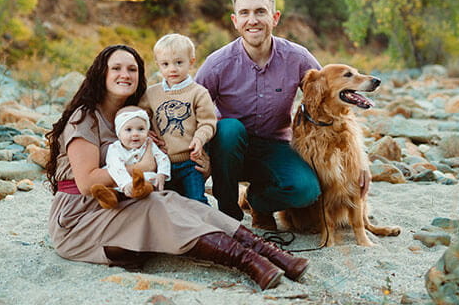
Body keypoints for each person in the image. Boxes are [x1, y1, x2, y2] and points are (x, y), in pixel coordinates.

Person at [45, 44, 310, 290]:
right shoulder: (85, 116)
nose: (125, 74)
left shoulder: (136, 119)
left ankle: (268, 251)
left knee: (178, 202)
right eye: (116, 68)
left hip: (122, 202)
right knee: (158, 205)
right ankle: (247, 261)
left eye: (132, 69)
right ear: (100, 73)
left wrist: (202, 165)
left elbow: (173, 153)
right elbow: (87, 182)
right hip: (80, 217)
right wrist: (141, 164)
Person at [196, 0, 370, 230]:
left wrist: (360, 162)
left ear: (274, 18)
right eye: (244, 12)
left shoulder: (297, 58)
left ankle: (259, 202)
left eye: (260, 12)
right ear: (235, 21)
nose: (252, 20)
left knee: (306, 190)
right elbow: (189, 108)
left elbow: (332, 101)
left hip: (275, 147)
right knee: (229, 129)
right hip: (228, 151)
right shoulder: (217, 64)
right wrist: (198, 154)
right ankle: (229, 215)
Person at [139, 33, 216, 204]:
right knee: (166, 203)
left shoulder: (198, 93)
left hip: (190, 163)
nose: (172, 69)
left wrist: (199, 138)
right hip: (162, 163)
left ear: (191, 62)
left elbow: (208, 123)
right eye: (165, 64)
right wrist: (147, 132)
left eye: (179, 63)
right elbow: (140, 115)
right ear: (158, 65)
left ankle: (207, 228)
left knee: (196, 200)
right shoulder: (152, 93)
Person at [89, 106, 170, 209]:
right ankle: (109, 197)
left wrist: (162, 173)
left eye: (141, 129)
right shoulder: (115, 148)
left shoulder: (148, 144)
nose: (135, 134)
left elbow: (162, 158)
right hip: (120, 181)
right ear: (119, 133)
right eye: (128, 130)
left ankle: (141, 189)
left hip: (144, 179)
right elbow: (115, 166)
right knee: (112, 187)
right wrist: (126, 183)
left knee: (148, 183)